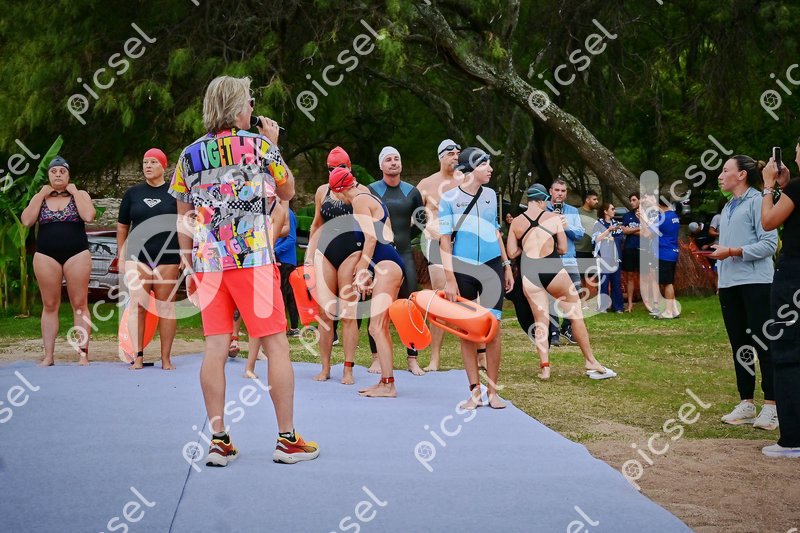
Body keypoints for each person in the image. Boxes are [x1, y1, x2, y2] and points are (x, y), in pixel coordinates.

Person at [170, 75, 318, 466]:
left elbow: (183, 216)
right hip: (252, 260)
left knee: (215, 347)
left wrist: (187, 261)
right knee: (276, 345)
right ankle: (287, 439)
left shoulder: (189, 155)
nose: (253, 108)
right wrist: (273, 145)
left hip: (208, 263)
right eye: (250, 101)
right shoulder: (259, 146)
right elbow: (287, 191)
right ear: (238, 107)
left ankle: (219, 441)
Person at [507, 184, 615, 381]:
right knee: (576, 315)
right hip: (553, 269)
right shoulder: (553, 218)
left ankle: (545, 368)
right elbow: (564, 248)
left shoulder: (516, 222)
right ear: (542, 200)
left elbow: (512, 253)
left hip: (530, 273)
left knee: (541, 321)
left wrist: (528, 248)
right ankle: (590, 360)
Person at [439, 147, 513, 409]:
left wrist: (506, 265)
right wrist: (450, 279)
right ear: (469, 170)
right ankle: (474, 391)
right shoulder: (448, 199)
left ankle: (492, 391)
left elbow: (496, 231)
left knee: (493, 329)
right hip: (464, 269)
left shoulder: (491, 195)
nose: (490, 169)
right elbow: (444, 241)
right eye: (484, 165)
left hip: (492, 267)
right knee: (467, 331)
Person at [709, 155, 779, 431]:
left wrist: (732, 251)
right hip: (730, 285)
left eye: (725, 170)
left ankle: (772, 405)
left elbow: (769, 244)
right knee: (740, 345)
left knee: (764, 344)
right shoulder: (728, 207)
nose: (720, 175)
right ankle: (746, 403)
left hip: (757, 283)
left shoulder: (758, 202)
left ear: (741, 175)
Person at [328, 167, 405, 398]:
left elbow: (371, 239)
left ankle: (388, 385)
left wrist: (362, 269)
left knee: (376, 327)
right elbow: (387, 236)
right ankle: (386, 382)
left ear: (338, 191)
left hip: (387, 265)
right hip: (387, 264)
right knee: (379, 327)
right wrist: (372, 270)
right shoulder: (370, 197)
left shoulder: (360, 201)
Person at [21, 156, 95, 366]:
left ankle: (83, 354)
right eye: (54, 171)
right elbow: (26, 221)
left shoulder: (80, 194)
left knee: (79, 304)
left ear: (69, 175)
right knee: (50, 304)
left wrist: (75, 192)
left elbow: (89, 216)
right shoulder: (41, 197)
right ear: (48, 176)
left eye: (62, 171)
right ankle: (49, 356)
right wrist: (40, 195)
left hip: (77, 254)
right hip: (46, 256)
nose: (58, 174)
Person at [305, 146, 368, 384]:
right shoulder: (323, 191)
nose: (336, 171)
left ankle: (348, 369)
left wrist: (365, 264)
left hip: (352, 252)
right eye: (332, 168)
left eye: (341, 167)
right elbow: (316, 225)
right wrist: (308, 258)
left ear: (349, 168)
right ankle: (325, 367)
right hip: (327, 253)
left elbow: (372, 230)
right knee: (325, 313)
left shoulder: (361, 191)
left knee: (349, 313)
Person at [117, 148, 181, 370]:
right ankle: (138, 356)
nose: (148, 166)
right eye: (145, 162)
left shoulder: (175, 194)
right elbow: (122, 227)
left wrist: (186, 253)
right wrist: (121, 255)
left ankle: (166, 359)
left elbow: (185, 224)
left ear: (164, 166)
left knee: (166, 308)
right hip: (138, 257)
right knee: (138, 306)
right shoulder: (132, 194)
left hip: (168, 257)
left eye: (153, 162)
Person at [369, 146, 426, 375]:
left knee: (410, 305)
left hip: (404, 253)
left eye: (396, 159)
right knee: (377, 306)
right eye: (388, 160)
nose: (393, 163)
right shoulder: (372, 190)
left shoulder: (412, 192)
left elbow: (422, 220)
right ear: (381, 165)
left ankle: (412, 358)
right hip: (380, 255)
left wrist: (404, 238)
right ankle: (376, 358)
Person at [761, 140, 800, 458]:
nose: (795, 155)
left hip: (793, 274)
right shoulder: (795, 188)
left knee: (787, 351)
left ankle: (792, 438)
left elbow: (769, 221)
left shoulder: (798, 188)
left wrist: (768, 187)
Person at [416, 139, 464, 371]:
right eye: (451, 153)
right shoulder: (426, 184)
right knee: (439, 298)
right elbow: (413, 214)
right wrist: (427, 228)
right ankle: (434, 357)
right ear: (441, 157)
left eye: (458, 153)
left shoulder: (466, 180)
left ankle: (480, 355)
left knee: (470, 297)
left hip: (463, 242)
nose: (455, 157)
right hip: (436, 242)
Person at [242, 198, 289, 380]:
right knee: (260, 319)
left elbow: (284, 229)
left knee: (265, 320)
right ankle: (251, 365)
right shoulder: (248, 200)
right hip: (252, 265)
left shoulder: (278, 205)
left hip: (262, 263)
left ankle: (252, 366)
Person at [546, 179, 585, 346]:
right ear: (550, 191)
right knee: (551, 297)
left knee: (575, 294)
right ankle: (553, 331)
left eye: (563, 191)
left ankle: (567, 327)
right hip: (549, 259)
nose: (560, 193)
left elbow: (580, 234)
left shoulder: (572, 211)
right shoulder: (543, 209)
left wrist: (565, 225)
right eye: (557, 190)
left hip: (569, 259)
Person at [639, 196, 680, 319]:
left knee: (667, 283)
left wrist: (642, 218)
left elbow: (646, 234)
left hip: (664, 253)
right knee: (669, 282)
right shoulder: (674, 215)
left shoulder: (661, 218)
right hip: (673, 251)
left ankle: (668, 311)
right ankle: (674, 310)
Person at [591, 202, 624, 313]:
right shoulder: (598, 223)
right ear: (605, 211)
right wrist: (608, 231)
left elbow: (620, 238)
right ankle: (603, 307)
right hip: (603, 256)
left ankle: (618, 307)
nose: (614, 211)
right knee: (604, 281)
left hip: (615, 256)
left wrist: (611, 238)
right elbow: (596, 239)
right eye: (612, 209)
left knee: (616, 281)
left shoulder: (616, 223)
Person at [276, 201, 300, 337]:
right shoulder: (283, 212)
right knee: (288, 294)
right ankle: (293, 327)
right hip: (285, 259)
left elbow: (291, 239)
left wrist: (274, 251)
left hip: (285, 260)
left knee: (283, 294)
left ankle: (284, 327)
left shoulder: (287, 214)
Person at [620, 193, 641, 312]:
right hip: (629, 248)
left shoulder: (646, 216)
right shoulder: (627, 215)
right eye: (630, 200)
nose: (631, 202)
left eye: (634, 200)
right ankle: (630, 304)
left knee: (646, 277)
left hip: (643, 249)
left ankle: (649, 302)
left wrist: (631, 230)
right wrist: (639, 228)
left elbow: (648, 233)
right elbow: (624, 231)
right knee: (630, 276)